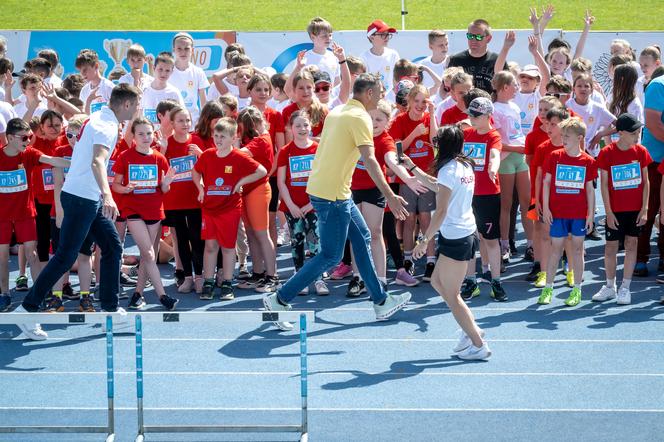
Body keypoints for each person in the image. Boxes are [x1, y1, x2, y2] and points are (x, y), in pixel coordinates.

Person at [263, 73, 411, 331]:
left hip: (333, 191)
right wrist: (389, 195)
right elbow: (370, 159)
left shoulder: (339, 111)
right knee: (331, 255)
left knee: (363, 237)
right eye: (379, 91)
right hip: (332, 195)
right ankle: (279, 298)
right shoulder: (359, 117)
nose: (381, 95)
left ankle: (380, 300)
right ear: (368, 94)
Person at [14, 84, 141, 340]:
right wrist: (108, 195)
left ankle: (110, 311)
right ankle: (27, 310)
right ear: (126, 105)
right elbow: (97, 161)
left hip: (85, 198)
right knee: (64, 257)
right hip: (83, 198)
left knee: (113, 247)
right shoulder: (106, 127)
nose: (138, 109)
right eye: (136, 105)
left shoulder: (98, 117)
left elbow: (78, 118)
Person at [407, 125, 491, 360]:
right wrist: (411, 167)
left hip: (457, 236)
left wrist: (423, 241)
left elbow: (441, 210)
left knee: (452, 295)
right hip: (461, 233)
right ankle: (469, 328)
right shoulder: (464, 165)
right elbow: (439, 187)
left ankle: (477, 343)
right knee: (436, 282)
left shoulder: (449, 170)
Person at [0, 118, 70, 312]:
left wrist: (81, 163)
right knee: (2, 256)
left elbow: (52, 161)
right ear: (11, 137)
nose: (28, 141)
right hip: (2, 216)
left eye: (30, 137)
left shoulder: (29, 154)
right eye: (24, 137)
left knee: (32, 254)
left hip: (25, 213)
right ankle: (4, 294)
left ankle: (39, 293)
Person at [193, 117, 266, 301]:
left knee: (227, 247)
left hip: (229, 209)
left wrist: (241, 181)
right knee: (210, 246)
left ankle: (227, 282)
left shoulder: (239, 157)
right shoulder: (208, 155)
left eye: (223, 136)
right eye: (216, 135)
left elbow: (262, 171)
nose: (218, 140)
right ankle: (208, 282)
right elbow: (196, 171)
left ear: (233, 138)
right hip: (209, 208)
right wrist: (200, 187)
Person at [112, 117, 179, 310]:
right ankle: (163, 296)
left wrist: (166, 184)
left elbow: (164, 188)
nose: (145, 137)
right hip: (133, 210)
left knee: (146, 254)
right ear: (133, 136)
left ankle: (137, 294)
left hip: (154, 210)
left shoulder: (159, 158)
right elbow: (116, 184)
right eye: (141, 134)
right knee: (149, 253)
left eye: (149, 133)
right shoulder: (125, 156)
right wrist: (126, 189)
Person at [593, 114, 651, 305]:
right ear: (621, 133)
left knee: (631, 244)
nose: (637, 134)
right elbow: (603, 185)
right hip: (615, 210)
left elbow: (646, 182)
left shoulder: (641, 152)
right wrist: (608, 212)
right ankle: (610, 286)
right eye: (634, 132)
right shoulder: (607, 153)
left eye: (638, 131)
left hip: (635, 210)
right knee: (610, 247)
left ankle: (625, 287)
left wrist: (644, 208)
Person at [539, 117, 597, 307]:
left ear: (579, 138)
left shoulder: (587, 161)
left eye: (567, 136)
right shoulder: (555, 156)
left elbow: (590, 189)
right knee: (556, 249)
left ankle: (577, 290)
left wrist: (590, 215)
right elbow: (546, 183)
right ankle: (548, 288)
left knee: (578, 249)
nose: (563, 139)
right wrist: (546, 207)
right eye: (562, 135)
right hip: (558, 214)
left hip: (579, 214)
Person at [458, 96, 507, 301]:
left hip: (487, 195)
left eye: (477, 115)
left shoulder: (493, 136)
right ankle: (471, 280)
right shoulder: (466, 134)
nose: (472, 118)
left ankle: (496, 281)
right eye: (471, 114)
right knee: (470, 240)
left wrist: (492, 169)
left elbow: (495, 155)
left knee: (490, 240)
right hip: (467, 194)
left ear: (488, 116)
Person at [388, 84, 438, 279]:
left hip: (426, 176)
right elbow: (397, 152)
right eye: (416, 101)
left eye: (423, 102)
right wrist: (415, 134)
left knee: (426, 219)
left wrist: (432, 113)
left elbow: (435, 143)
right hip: (408, 177)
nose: (420, 105)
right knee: (408, 220)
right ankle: (408, 259)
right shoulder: (400, 120)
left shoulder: (428, 118)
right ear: (408, 102)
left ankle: (431, 261)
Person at [276, 111, 326, 295]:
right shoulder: (285, 151)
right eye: (298, 125)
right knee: (297, 242)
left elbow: (323, 178)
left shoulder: (318, 149)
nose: (302, 129)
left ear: (311, 126)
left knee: (315, 242)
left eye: (305, 125)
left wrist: (311, 204)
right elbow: (281, 181)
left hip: (314, 205)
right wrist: (291, 205)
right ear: (291, 128)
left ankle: (319, 279)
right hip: (293, 207)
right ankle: (299, 278)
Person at [637, 72, 664, 282]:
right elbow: (654, 125)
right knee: (649, 208)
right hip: (654, 160)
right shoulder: (657, 85)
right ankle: (641, 257)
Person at [448, 19, 507, 93]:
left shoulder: (497, 60)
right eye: (470, 36)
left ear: (488, 39)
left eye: (478, 37)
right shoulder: (456, 60)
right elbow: (447, 87)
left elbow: (506, 88)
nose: (473, 40)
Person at [170, 32, 209, 124]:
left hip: (193, 122)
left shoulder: (198, 72)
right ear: (174, 50)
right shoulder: (168, 71)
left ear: (192, 50)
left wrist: (205, 120)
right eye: (179, 48)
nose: (183, 52)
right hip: (172, 122)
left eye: (186, 48)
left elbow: (203, 100)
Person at [141, 52, 186, 126]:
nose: (163, 73)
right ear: (154, 68)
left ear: (172, 71)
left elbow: (181, 116)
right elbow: (139, 116)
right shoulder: (144, 90)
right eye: (160, 69)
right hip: (148, 136)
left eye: (167, 70)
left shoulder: (174, 93)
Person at [359, 19, 400, 93]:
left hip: (391, 101)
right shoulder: (363, 58)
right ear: (372, 37)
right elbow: (363, 85)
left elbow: (397, 80)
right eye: (383, 34)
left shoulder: (393, 55)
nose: (387, 37)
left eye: (388, 34)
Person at [76, 49, 115, 114]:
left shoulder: (109, 87)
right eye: (80, 71)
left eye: (85, 70)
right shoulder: (84, 91)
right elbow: (83, 117)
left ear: (96, 66)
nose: (82, 74)